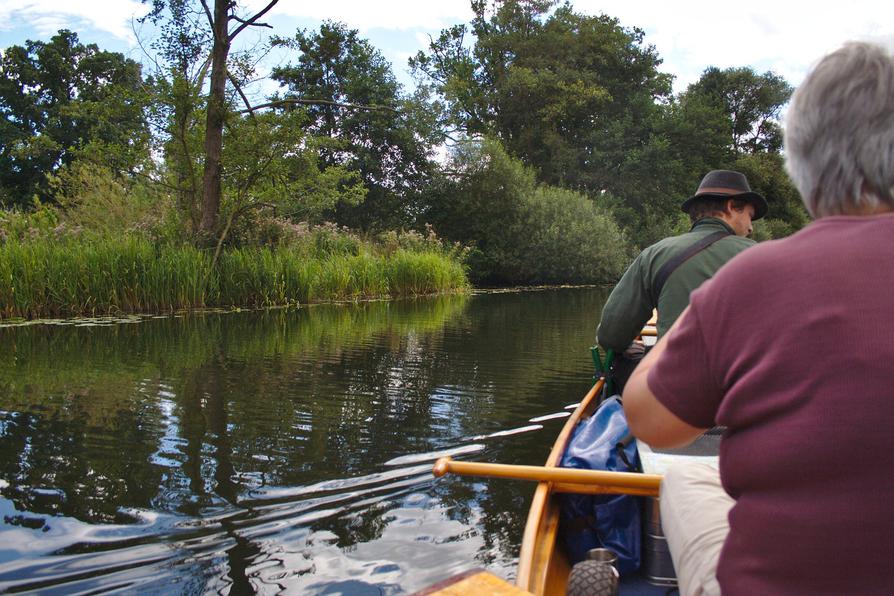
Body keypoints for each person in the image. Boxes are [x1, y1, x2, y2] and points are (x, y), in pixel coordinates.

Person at [623, 41, 894, 595]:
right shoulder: (751, 263)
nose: (751, 220)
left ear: (804, 161)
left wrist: (676, 344)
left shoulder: (753, 278)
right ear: (730, 209)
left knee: (684, 479)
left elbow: (647, 420)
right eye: (748, 209)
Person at [596, 170, 765, 389]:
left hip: (676, 395)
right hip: (746, 392)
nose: (751, 227)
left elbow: (611, 336)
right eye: (749, 216)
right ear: (732, 207)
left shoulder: (655, 254)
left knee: (624, 359)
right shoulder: (765, 255)